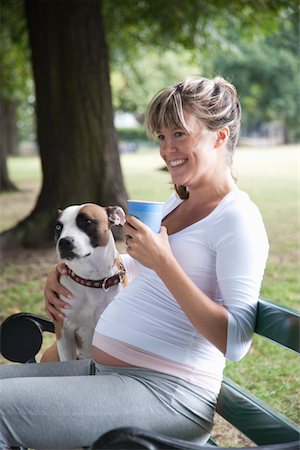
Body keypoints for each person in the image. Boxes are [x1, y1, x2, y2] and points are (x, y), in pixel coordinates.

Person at [0, 76, 269, 449]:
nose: (166, 148)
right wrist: (68, 270)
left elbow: (236, 341)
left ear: (219, 136)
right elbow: (142, 270)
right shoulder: (177, 204)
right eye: (161, 136)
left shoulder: (237, 218)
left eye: (179, 133)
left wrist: (164, 264)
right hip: (109, 373)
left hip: (168, 394)